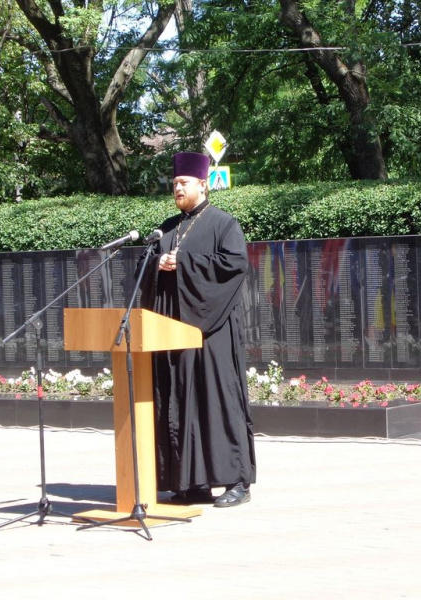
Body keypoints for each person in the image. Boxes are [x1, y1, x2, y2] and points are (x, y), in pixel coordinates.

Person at [136, 151, 256, 508]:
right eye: (174, 184)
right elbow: (146, 270)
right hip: (172, 329)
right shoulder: (168, 228)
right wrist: (158, 263)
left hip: (212, 331)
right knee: (181, 401)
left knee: (218, 401)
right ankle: (191, 482)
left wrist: (184, 262)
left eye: (183, 183)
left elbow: (234, 265)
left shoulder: (224, 224)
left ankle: (237, 480)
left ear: (203, 184)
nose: (177, 188)